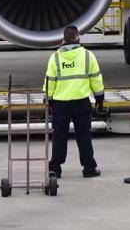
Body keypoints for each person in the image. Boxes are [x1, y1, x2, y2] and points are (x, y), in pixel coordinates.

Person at [44, 25, 105, 178]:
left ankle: (55, 169)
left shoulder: (55, 58)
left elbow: (50, 81)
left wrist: (48, 99)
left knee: (59, 136)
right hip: (81, 102)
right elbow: (96, 78)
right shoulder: (87, 56)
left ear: (63, 40)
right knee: (84, 135)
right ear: (78, 38)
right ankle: (89, 168)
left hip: (61, 103)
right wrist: (99, 98)